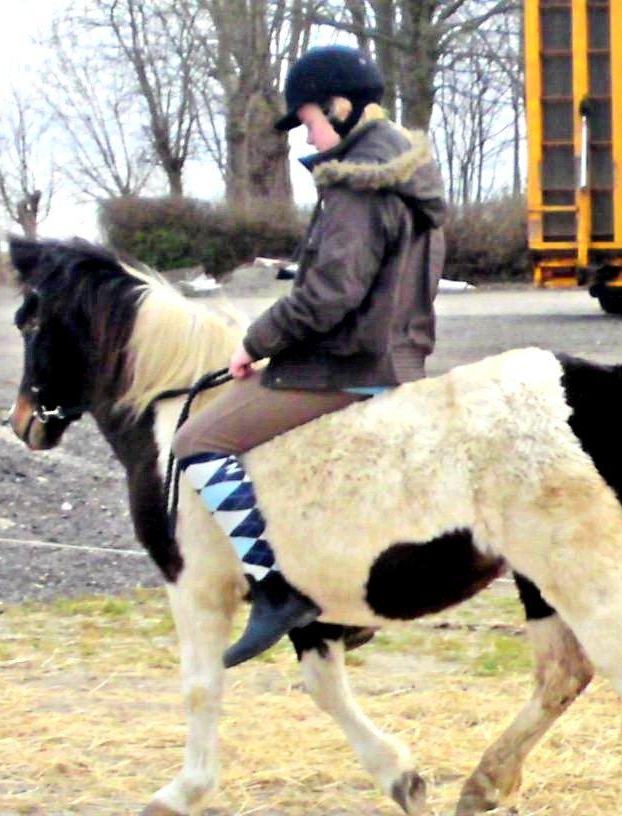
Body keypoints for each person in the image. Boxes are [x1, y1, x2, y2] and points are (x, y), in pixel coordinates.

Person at [172, 45, 447, 668]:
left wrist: (255, 341)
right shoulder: (407, 176)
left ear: (341, 106)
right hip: (395, 359)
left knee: (196, 442)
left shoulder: (356, 184)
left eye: (309, 118)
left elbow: (329, 294)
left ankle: (278, 592)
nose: (307, 133)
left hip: (344, 366)